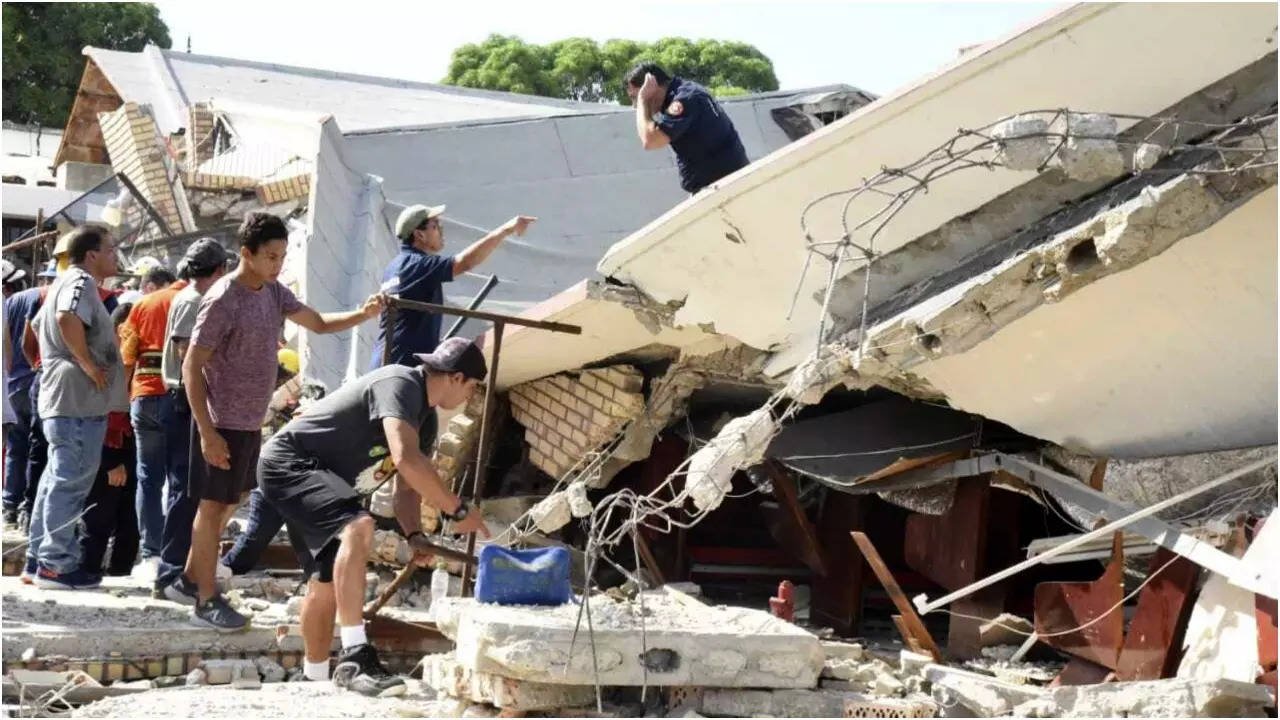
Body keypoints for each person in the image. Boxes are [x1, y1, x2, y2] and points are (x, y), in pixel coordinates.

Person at [171, 212, 385, 630]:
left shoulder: (273, 292)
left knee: (228, 503)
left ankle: (188, 580)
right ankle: (206, 600)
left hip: (250, 421)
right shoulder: (221, 299)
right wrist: (207, 432)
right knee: (213, 509)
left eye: (282, 256)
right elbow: (191, 368)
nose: (278, 264)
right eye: (270, 256)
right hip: (221, 421)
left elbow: (319, 324)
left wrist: (363, 314)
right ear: (246, 254)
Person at [260, 337, 489, 696]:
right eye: (473, 386)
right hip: (291, 465)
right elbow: (405, 459)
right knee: (358, 525)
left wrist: (414, 535)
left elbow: (407, 488)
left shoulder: (424, 420)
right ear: (456, 377)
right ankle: (355, 655)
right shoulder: (400, 383)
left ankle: (314, 678)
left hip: (325, 480)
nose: (470, 396)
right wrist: (456, 508)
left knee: (323, 581)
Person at [26, 226, 124, 590]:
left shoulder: (63, 283)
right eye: (111, 249)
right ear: (91, 255)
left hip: (62, 397)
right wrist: (85, 364)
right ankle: (56, 565)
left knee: (56, 480)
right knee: (69, 483)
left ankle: (39, 559)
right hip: (77, 400)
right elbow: (66, 318)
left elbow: (35, 328)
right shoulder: (80, 281)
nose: (115, 256)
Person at [152, 238, 233, 600]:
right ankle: (170, 574)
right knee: (185, 492)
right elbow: (189, 358)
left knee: (193, 491)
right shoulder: (192, 300)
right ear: (218, 270)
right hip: (185, 403)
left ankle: (183, 571)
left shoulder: (197, 298)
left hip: (192, 403)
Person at [371, 205, 534, 368]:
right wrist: (506, 229)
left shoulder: (394, 267)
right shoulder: (418, 264)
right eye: (434, 226)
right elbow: (464, 262)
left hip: (385, 364)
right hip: (402, 368)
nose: (441, 230)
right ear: (419, 234)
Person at [121, 264, 188, 576]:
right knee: (180, 477)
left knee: (148, 478)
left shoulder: (142, 304)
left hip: (143, 397)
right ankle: (176, 552)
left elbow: (127, 357)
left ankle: (151, 553)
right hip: (178, 400)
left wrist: (123, 403)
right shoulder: (194, 299)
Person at [79, 302, 141, 576]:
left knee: (128, 514)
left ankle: (119, 570)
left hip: (128, 447)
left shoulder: (128, 363)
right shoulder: (108, 364)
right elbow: (100, 414)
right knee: (100, 514)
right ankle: (88, 568)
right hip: (108, 448)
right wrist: (111, 461)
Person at [626, 62, 750, 195]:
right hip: (723, 185)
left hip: (724, 187)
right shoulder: (684, 92)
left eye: (635, 97)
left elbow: (650, 140)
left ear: (650, 86)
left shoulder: (685, 98)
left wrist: (643, 99)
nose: (635, 106)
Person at [3, 260, 37, 527]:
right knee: (37, 447)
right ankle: (28, 506)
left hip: (13, 384)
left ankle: (9, 506)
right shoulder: (43, 298)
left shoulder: (11, 303)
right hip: (36, 382)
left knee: (16, 448)